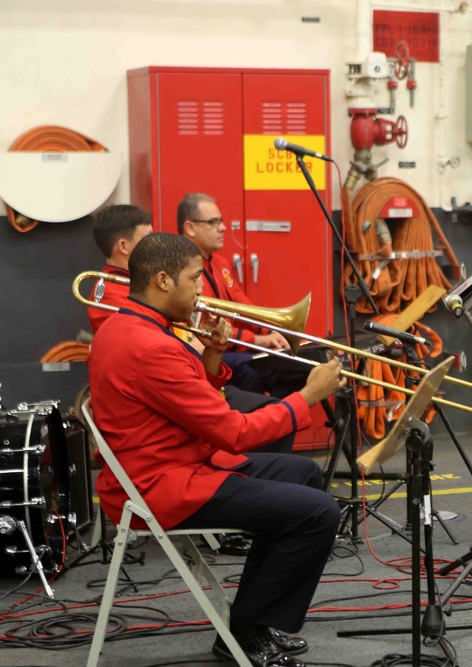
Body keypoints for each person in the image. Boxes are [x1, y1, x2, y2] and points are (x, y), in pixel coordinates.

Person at [88, 233, 344, 666]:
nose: (201, 290)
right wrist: (308, 397)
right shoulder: (149, 345)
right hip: (160, 484)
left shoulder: (135, 327)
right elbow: (234, 431)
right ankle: (245, 632)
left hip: (174, 462)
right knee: (318, 513)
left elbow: (182, 403)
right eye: (194, 279)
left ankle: (248, 623)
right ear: (164, 281)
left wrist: (212, 354)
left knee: (304, 476)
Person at [177, 192, 307, 399]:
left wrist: (271, 331)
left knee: (298, 365)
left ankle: (279, 420)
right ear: (190, 227)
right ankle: (259, 420)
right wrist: (258, 340)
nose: (223, 228)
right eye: (213, 222)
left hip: (235, 346)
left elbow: (242, 304)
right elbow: (205, 327)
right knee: (250, 370)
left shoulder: (220, 263)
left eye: (221, 221)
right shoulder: (181, 269)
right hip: (210, 350)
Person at [87, 204, 154, 335]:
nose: (156, 245)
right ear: (123, 246)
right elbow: (143, 341)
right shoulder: (108, 294)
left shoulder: (136, 282)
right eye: (148, 239)